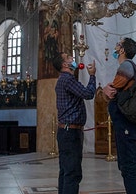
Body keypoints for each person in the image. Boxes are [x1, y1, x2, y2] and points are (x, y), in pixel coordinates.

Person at [52, 52, 97, 194]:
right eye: (70, 58)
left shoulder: (63, 79)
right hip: (70, 132)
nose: (73, 59)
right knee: (73, 172)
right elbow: (88, 94)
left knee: (65, 171)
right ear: (65, 64)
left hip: (66, 131)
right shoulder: (68, 79)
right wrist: (92, 75)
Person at [102, 37, 136, 194]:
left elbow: (112, 92)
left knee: (128, 166)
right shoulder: (132, 67)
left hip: (126, 124)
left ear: (122, 50)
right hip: (127, 124)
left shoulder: (126, 66)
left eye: (118, 44)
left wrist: (105, 89)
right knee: (126, 164)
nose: (115, 46)